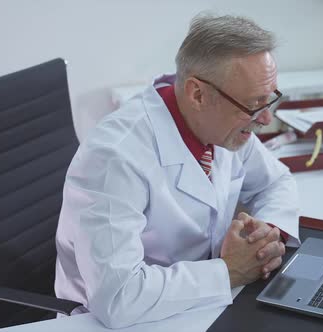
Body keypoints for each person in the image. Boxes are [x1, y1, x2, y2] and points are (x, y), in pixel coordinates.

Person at [54, 13, 300, 328]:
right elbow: (118, 297)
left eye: (269, 100)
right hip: (120, 321)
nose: (266, 119)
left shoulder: (224, 127)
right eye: (254, 104)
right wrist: (227, 271)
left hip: (199, 305)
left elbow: (275, 182)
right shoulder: (115, 157)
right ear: (198, 94)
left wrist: (265, 236)